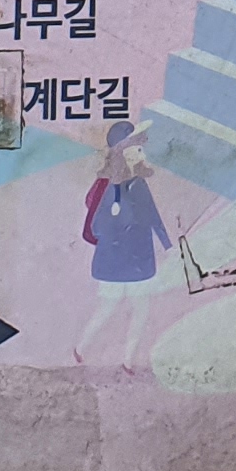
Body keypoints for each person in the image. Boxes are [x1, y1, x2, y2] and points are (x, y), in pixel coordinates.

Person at [74, 122, 173, 368]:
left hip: (138, 258)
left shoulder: (139, 183)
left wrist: (168, 245)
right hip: (116, 260)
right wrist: (120, 224)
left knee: (141, 309)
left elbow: (153, 215)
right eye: (136, 149)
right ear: (122, 151)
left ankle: (128, 360)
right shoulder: (110, 187)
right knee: (107, 308)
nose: (142, 153)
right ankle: (81, 347)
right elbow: (97, 226)